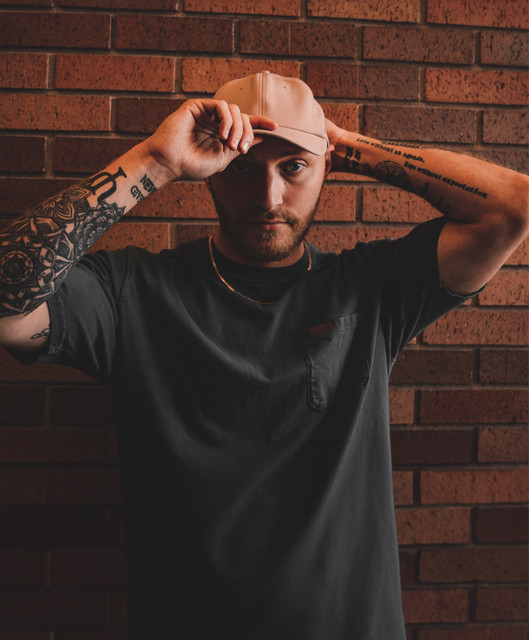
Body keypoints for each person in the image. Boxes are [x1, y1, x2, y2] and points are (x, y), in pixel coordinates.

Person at [0, 71, 527, 639]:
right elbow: (7, 304)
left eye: (293, 167)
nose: (268, 198)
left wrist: (342, 144)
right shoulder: (133, 291)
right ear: (210, 169)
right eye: (242, 167)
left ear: (325, 168)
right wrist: (155, 160)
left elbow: (512, 207)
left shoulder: (372, 288)